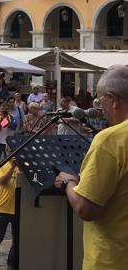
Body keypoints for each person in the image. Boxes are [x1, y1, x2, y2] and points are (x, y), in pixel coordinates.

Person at [55, 65, 128, 270]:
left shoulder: (110, 140)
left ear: (113, 100)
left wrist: (70, 182)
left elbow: (87, 209)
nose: (99, 108)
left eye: (99, 100)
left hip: (113, 260)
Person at [0, 103, 17, 167]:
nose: (4, 110)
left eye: (6, 109)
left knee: (7, 160)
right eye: (2, 109)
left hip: (8, 142)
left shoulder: (12, 117)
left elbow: (14, 127)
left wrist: (7, 119)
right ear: (0, 109)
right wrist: (1, 120)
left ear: (8, 110)